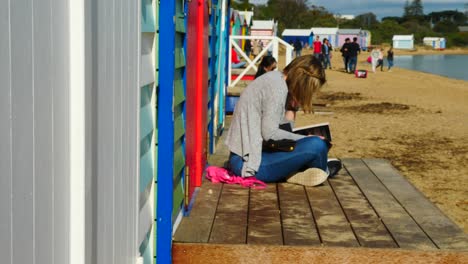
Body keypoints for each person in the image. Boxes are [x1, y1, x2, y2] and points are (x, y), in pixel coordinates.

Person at [225, 55, 342, 186]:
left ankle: (309, 170)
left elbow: (282, 131)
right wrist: (304, 138)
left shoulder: (277, 80)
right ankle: (319, 170)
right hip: (248, 164)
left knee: (316, 145)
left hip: (254, 156)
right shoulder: (276, 88)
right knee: (317, 145)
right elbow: (270, 134)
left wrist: (292, 107)